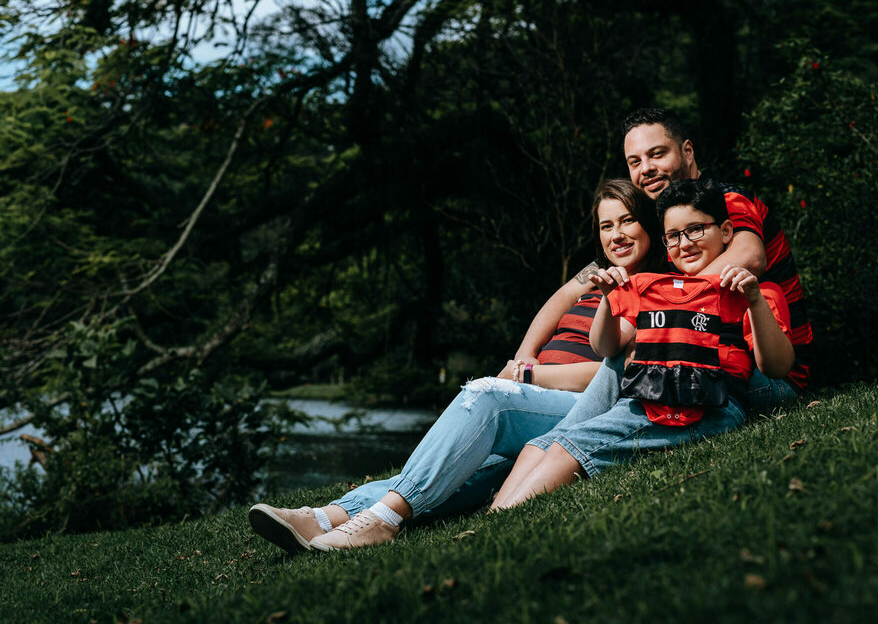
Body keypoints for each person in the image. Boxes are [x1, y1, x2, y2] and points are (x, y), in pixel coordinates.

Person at [248, 178, 665, 554]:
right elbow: (550, 308)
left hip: (572, 403)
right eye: (606, 225)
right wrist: (522, 355)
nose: (616, 234)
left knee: (487, 399)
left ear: (647, 224)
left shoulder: (658, 288)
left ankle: (385, 519)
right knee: (468, 467)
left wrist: (525, 377)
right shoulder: (595, 274)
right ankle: (324, 518)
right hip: (534, 395)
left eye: (627, 221)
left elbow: (615, 371)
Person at [488, 178, 795, 509]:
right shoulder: (656, 289)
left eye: (696, 230)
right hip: (649, 394)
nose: (685, 243)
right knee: (550, 443)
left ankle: (499, 522)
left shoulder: (753, 293)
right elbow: (606, 349)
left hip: (705, 404)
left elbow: (777, 367)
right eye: (674, 236)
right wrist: (608, 300)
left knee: (568, 448)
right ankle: (496, 515)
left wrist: (754, 302)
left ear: (725, 232)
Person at [521, 108, 811, 409]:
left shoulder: (724, 200)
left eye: (657, 154)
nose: (646, 168)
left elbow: (749, 257)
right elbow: (572, 288)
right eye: (635, 162)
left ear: (687, 151)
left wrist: (666, 308)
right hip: (711, 357)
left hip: (768, 374)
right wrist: (524, 354)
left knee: (640, 363)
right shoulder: (661, 223)